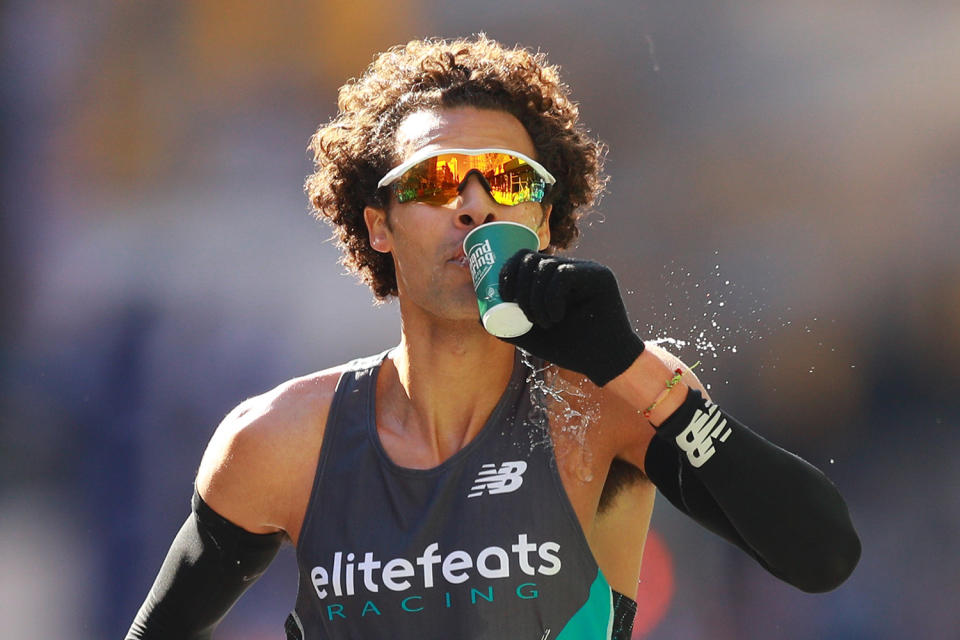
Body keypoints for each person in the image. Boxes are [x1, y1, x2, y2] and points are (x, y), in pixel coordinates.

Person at [126, 35, 860, 640]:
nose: (475, 205)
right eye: (439, 180)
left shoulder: (610, 399)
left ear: (545, 219)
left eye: (511, 181)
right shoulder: (279, 441)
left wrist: (625, 361)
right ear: (377, 224)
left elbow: (823, 554)